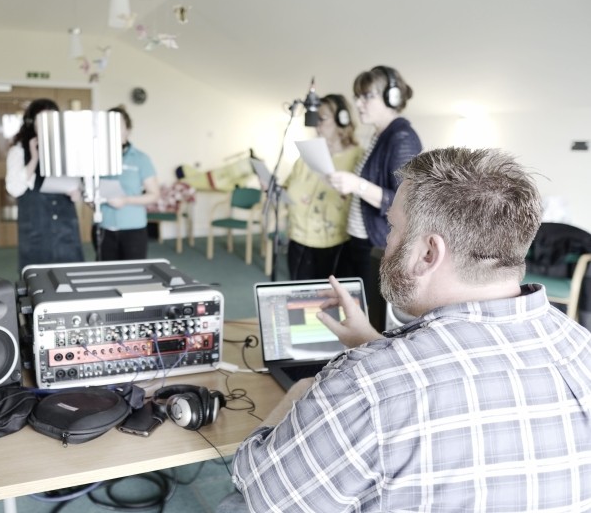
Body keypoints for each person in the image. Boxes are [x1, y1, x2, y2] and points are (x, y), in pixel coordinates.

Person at [223, 147, 591, 512]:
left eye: (393, 228)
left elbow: (263, 493)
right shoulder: (580, 346)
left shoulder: (366, 385)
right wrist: (372, 341)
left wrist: (303, 391)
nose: (386, 242)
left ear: (429, 253)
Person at [328, 65, 421, 287]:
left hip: (375, 244)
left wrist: (357, 185)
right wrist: (351, 190)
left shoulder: (401, 138)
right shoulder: (379, 136)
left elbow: (406, 203)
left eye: (367, 96)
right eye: (357, 97)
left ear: (392, 98)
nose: (358, 103)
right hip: (359, 239)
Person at [282, 94, 362, 279]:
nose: (316, 124)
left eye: (322, 118)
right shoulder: (304, 157)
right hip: (298, 241)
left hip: (335, 245)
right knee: (299, 299)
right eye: (315, 118)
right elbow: (288, 188)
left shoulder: (358, 157)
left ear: (342, 120)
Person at [5, 98, 84, 272]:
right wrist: (34, 158)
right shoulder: (18, 150)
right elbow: (14, 188)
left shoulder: (69, 148)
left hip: (65, 225)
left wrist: (77, 193)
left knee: (71, 275)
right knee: (38, 279)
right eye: (42, 121)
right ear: (32, 123)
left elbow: (78, 185)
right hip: (36, 226)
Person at [95, 105, 159, 261]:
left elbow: (154, 195)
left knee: (134, 277)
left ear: (128, 130)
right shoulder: (96, 158)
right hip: (104, 227)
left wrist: (126, 200)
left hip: (133, 229)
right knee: (104, 275)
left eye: (118, 126)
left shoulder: (141, 158)